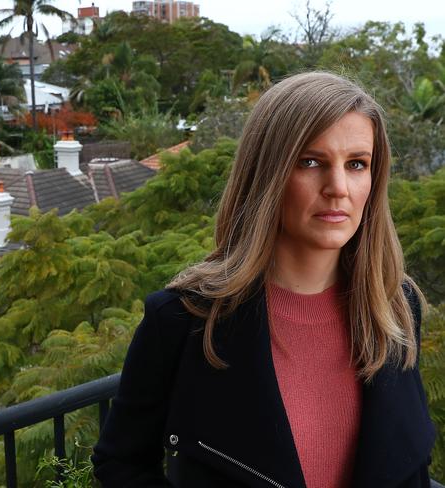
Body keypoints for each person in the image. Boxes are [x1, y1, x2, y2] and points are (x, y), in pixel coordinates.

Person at [91, 72, 436, 488]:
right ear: (268, 173)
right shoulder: (183, 320)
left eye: (357, 164)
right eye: (311, 162)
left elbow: (411, 463)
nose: (338, 188)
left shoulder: (397, 308)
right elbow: (121, 465)